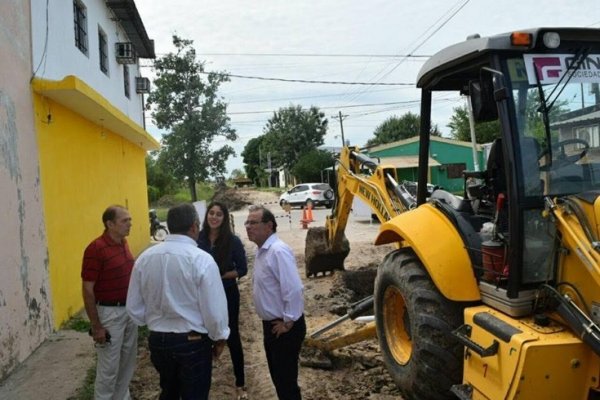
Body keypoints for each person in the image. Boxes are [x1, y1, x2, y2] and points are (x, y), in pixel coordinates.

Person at [126, 203, 229, 400]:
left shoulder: (145, 258)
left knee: (169, 391)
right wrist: (219, 337)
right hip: (192, 341)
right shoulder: (201, 259)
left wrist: (155, 322)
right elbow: (214, 311)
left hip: (158, 341)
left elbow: (134, 307)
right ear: (193, 226)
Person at [245, 205, 306, 400]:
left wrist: (288, 321)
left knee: (286, 384)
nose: (248, 226)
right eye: (247, 222)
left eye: (253, 223)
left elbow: (294, 288)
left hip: (284, 327)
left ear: (269, 226)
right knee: (280, 382)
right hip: (272, 326)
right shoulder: (262, 251)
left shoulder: (277, 251)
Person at [81, 205, 138, 400]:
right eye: (125, 221)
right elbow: (88, 289)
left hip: (128, 311)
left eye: (130, 219)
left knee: (127, 363)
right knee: (109, 368)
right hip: (109, 314)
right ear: (110, 224)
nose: (130, 224)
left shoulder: (123, 243)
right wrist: (96, 326)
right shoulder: (96, 249)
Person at [197, 201, 249, 400]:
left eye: (219, 214)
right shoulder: (198, 238)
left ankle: (240, 383)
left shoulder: (232, 241)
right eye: (212, 213)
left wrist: (221, 276)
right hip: (203, 294)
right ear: (206, 215)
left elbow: (243, 269)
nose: (214, 217)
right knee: (203, 333)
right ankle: (203, 382)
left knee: (232, 335)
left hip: (227, 292)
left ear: (224, 218)